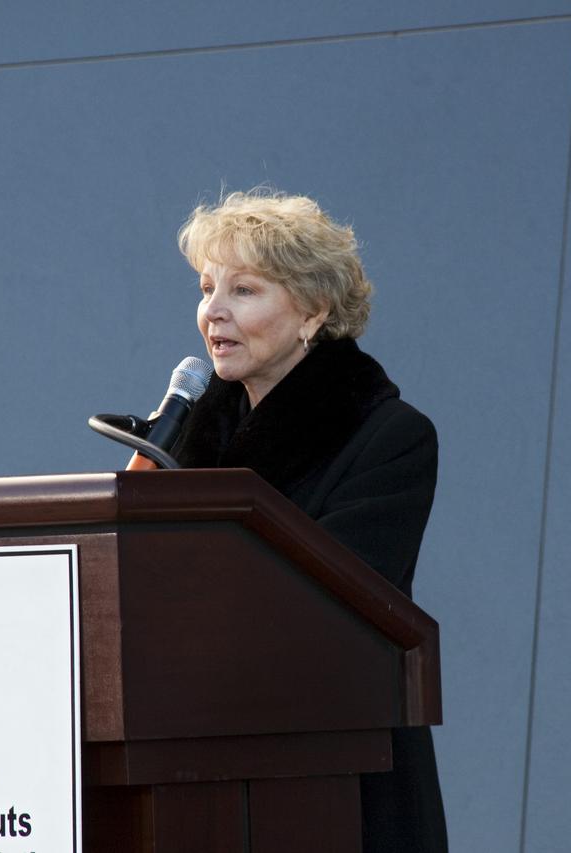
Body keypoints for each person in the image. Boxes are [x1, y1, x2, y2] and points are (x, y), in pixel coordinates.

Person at [171, 189, 448, 853]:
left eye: (244, 290)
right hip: (199, 781)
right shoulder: (184, 442)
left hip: (342, 780)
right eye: (208, 288)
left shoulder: (389, 436)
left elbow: (333, 609)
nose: (213, 311)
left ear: (313, 311)